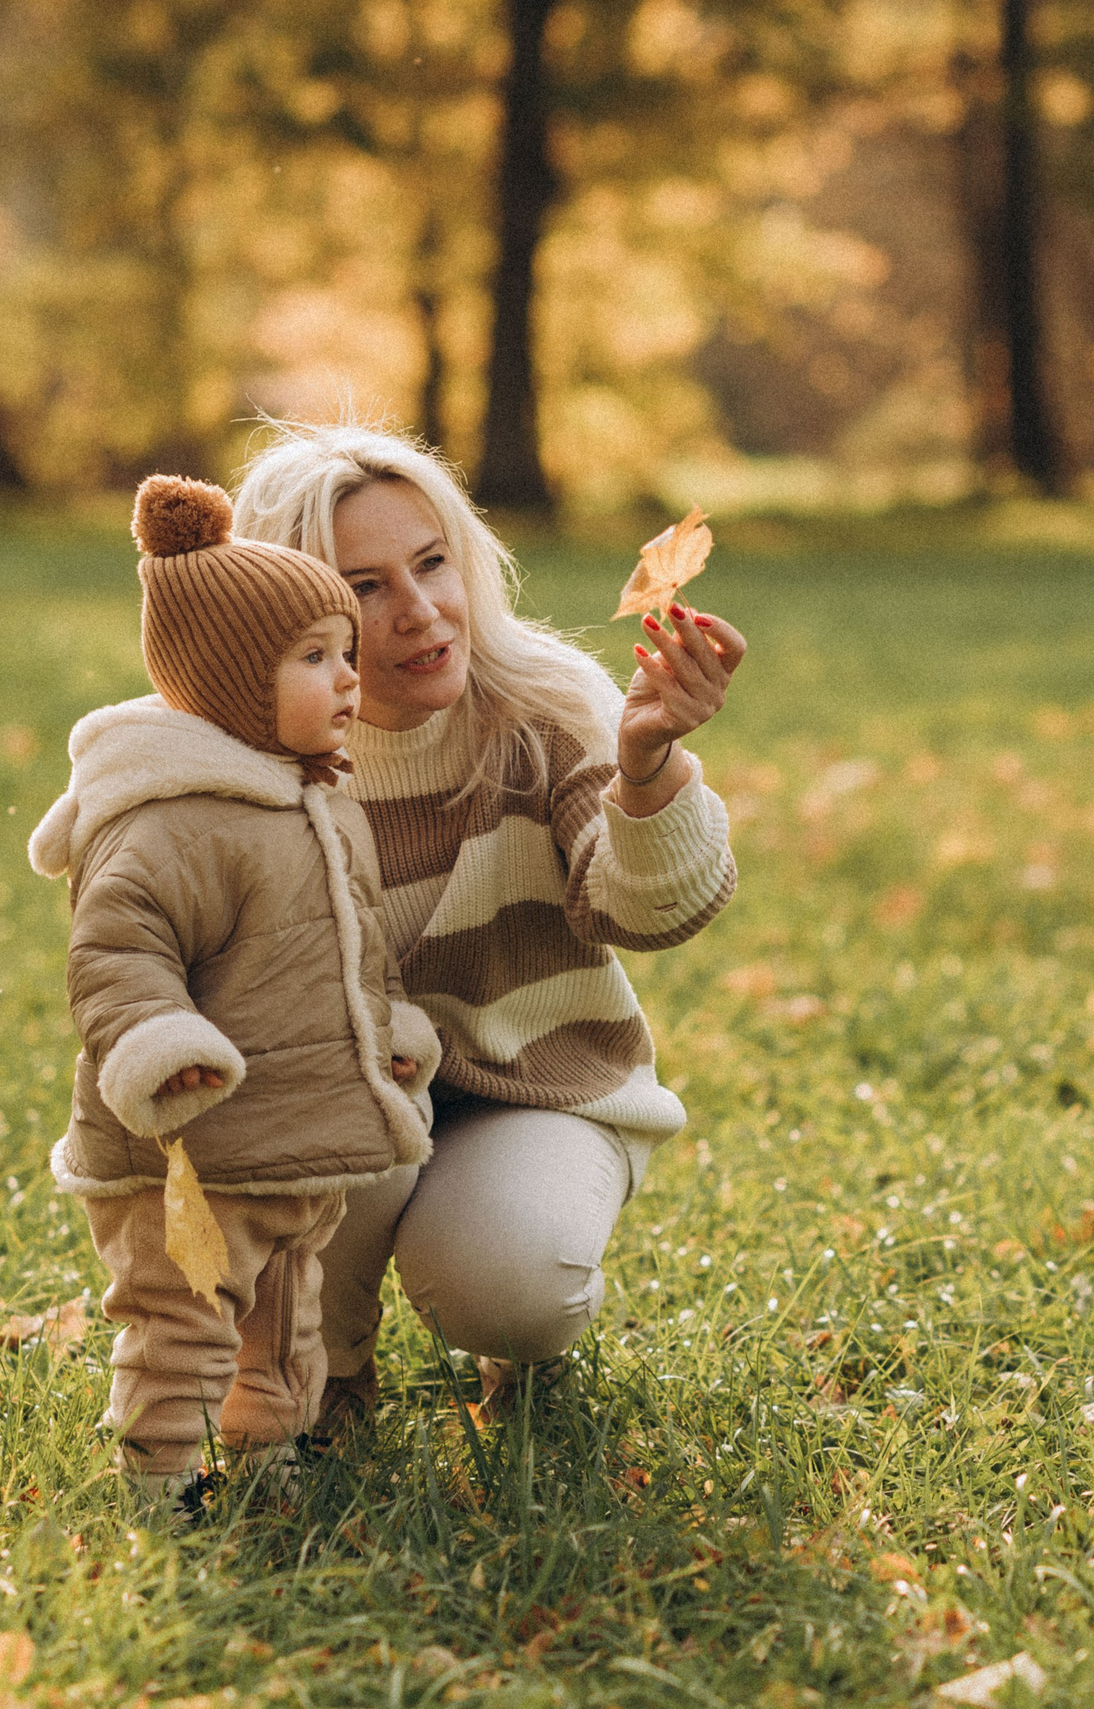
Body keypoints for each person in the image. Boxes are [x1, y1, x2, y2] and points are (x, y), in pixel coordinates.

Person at [230, 421, 745, 1421]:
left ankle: (508, 1316)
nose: (421, 611)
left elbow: (648, 909)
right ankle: (325, 1365)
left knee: (504, 1281)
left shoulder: (543, 708)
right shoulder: (256, 767)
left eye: (432, 562)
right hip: (352, 1096)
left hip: (539, 1084)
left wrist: (645, 769)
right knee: (331, 1096)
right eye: (365, 585)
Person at [28, 474, 442, 1506]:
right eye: (314, 658)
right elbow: (116, 955)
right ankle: (160, 1481)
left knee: (287, 1320)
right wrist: (157, 1044)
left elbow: (355, 944)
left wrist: (388, 1026)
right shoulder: (165, 820)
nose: (348, 679)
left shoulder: (319, 794)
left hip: (292, 1141)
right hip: (188, 1152)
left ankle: (267, 1465)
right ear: (225, 680)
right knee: (183, 1322)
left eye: (346, 653)